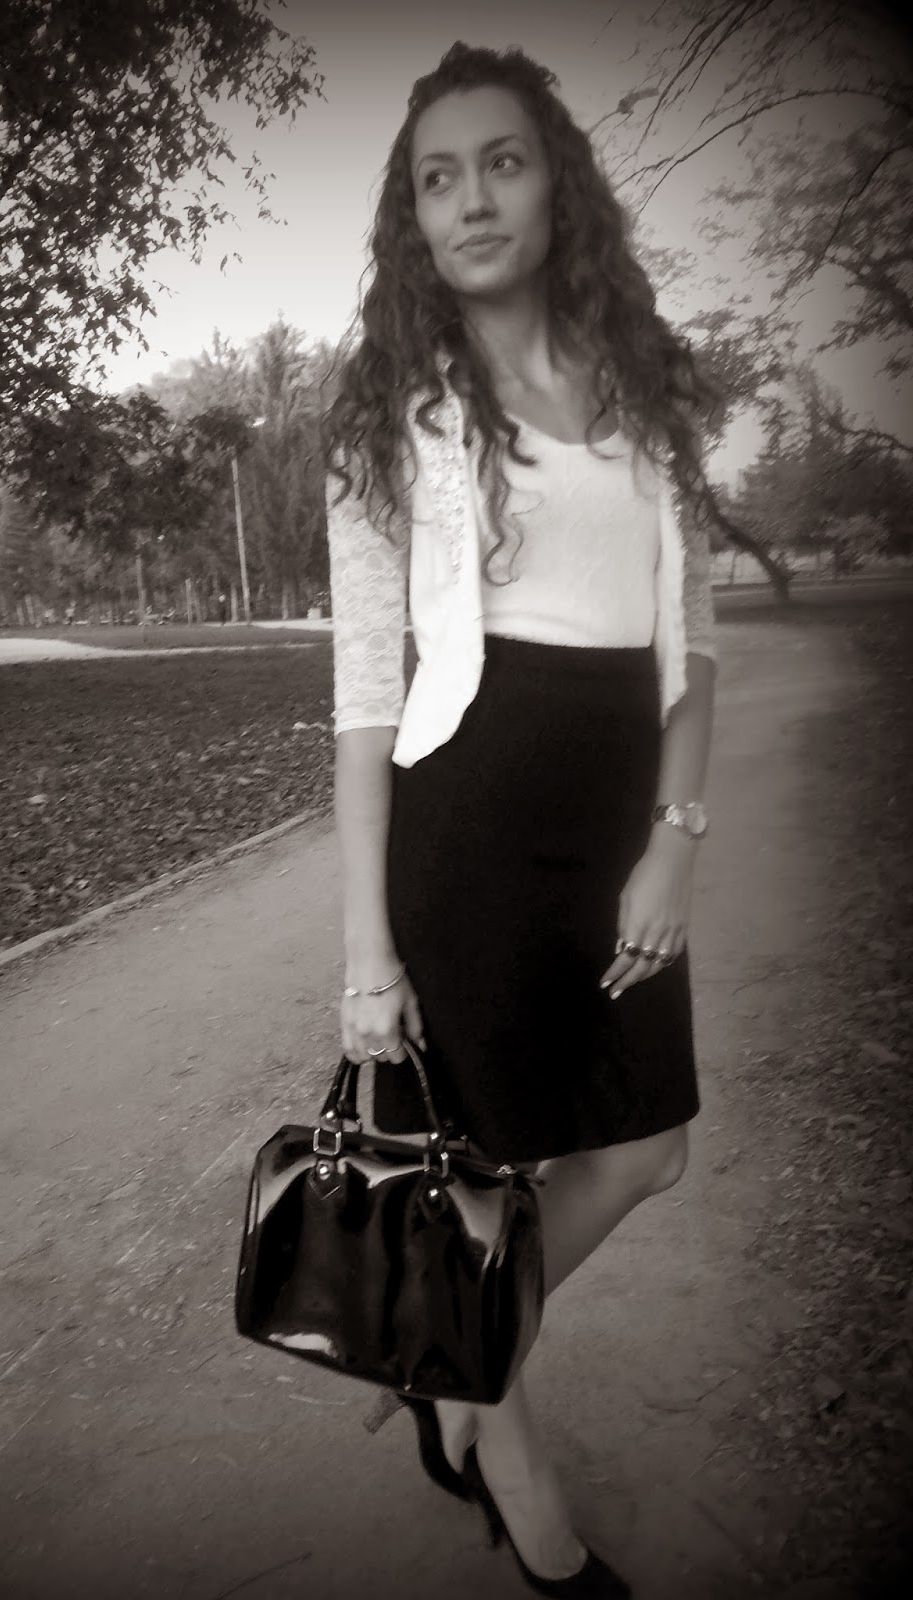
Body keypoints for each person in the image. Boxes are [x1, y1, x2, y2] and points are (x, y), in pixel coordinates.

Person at [323, 42, 722, 1598]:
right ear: (414, 219)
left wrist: (675, 836)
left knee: (648, 1148)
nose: (472, 198)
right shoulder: (394, 418)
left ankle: (447, 1354)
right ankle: (519, 1475)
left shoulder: (649, 392)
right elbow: (367, 699)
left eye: (502, 160)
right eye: (438, 178)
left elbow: (693, 650)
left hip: (619, 824)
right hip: (469, 830)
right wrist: (368, 955)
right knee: (478, 1173)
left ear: (558, 184)